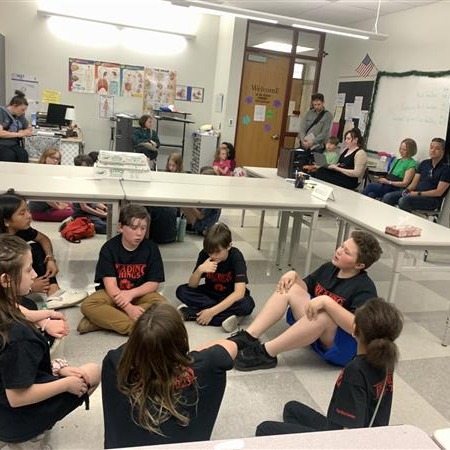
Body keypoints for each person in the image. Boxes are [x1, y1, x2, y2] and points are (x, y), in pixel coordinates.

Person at [229, 231, 382, 371]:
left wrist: (327, 303)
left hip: (341, 348)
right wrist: (293, 276)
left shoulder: (365, 288)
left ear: (359, 265)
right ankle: (249, 336)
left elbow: (357, 328)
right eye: (342, 246)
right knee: (290, 287)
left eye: (346, 252)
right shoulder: (329, 268)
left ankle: (267, 353)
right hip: (314, 331)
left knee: (325, 313)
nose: (339, 251)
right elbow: (305, 289)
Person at [0, 234, 100, 445]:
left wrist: (44, 318)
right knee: (92, 372)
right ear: (6, 280)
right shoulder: (19, 336)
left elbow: (19, 310)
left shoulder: (7, 309)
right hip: (14, 420)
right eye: (28, 270)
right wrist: (65, 384)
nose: (35, 274)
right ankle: (33, 434)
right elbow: (17, 397)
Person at [255, 298, 403, 436]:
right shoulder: (385, 359)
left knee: (264, 429)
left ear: (355, 329)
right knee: (291, 408)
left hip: (340, 440)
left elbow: (349, 436)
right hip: (365, 433)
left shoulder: (355, 371)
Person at [101, 302, 237, 448]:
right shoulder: (210, 366)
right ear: (182, 341)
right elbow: (231, 346)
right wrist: (187, 357)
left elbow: (129, 352)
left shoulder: (114, 365)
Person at [78, 204, 166, 335]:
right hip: (113, 295)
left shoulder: (151, 248)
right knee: (88, 305)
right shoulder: (109, 248)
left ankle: (101, 321)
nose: (139, 233)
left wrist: (131, 294)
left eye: (143, 228)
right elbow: (111, 286)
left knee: (164, 306)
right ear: (120, 227)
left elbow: (153, 283)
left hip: (139, 294)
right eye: (134, 228)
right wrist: (129, 308)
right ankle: (139, 328)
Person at [0, 190, 87, 309]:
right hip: (4, 295)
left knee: (35, 247)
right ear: (6, 221)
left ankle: (53, 292)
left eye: (27, 210)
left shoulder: (20, 230)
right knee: (29, 307)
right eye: (22, 213)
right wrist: (30, 288)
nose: (29, 215)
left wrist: (50, 259)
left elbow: (43, 239)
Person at [176, 222, 255, 333]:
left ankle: (193, 313)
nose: (213, 256)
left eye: (217, 252)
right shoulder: (205, 254)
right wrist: (200, 270)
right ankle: (230, 317)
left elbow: (239, 293)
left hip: (230, 295)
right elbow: (192, 286)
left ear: (229, 246)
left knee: (247, 304)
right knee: (181, 291)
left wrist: (211, 312)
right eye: (210, 252)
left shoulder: (236, 257)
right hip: (210, 293)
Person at [382, 137, 450, 212]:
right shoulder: (424, 163)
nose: (433, 150)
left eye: (437, 149)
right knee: (388, 197)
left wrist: (418, 193)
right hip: (416, 194)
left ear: (443, 151)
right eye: (431, 147)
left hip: (432, 199)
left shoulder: (446, 169)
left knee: (404, 201)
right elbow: (414, 184)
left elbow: (438, 192)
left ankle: (406, 222)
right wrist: (407, 190)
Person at [28, 148, 74, 222]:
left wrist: (61, 204)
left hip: (49, 206)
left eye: (57, 159)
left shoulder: (51, 173)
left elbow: (52, 195)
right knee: (74, 212)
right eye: (52, 158)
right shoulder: (41, 174)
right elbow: (47, 198)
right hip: (40, 211)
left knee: (74, 206)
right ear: (45, 158)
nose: (55, 161)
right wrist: (60, 207)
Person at [72, 154, 107, 234]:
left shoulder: (89, 181)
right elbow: (84, 207)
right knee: (105, 227)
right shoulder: (79, 183)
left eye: (89, 166)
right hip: (82, 214)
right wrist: (102, 215)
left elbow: (93, 202)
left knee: (115, 221)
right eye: (85, 167)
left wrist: (105, 209)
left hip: (90, 211)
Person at [182, 166, 222, 235]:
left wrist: (190, 204)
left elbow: (200, 216)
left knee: (183, 204)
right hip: (207, 222)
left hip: (205, 226)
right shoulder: (213, 193)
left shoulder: (211, 197)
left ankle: (196, 228)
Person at [0, 90, 32, 163]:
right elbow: (1, 133)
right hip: (2, 144)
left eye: (25, 110)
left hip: (13, 144)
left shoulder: (19, 115)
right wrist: (19, 134)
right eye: (22, 110)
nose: (23, 112)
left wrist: (26, 131)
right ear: (14, 106)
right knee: (9, 156)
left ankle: (22, 174)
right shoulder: (1, 112)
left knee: (23, 155)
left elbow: (29, 127)